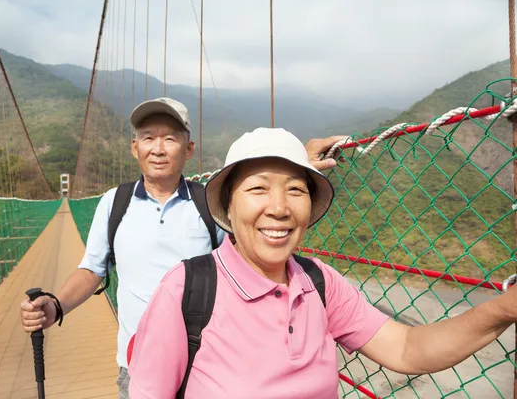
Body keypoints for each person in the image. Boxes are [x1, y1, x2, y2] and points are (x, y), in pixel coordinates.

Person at [127, 126, 517, 398]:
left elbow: (407, 348)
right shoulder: (188, 290)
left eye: (295, 190)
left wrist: (502, 308)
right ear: (228, 205)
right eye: (258, 188)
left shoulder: (318, 282)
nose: (279, 208)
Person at [19, 97, 346, 398]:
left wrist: (295, 163)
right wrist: (57, 305)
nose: (158, 149)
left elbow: (252, 254)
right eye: (148, 138)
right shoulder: (113, 203)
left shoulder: (211, 204)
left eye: (170, 138)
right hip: (138, 362)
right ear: (134, 148)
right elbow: (92, 269)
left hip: (214, 363)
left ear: (189, 149)